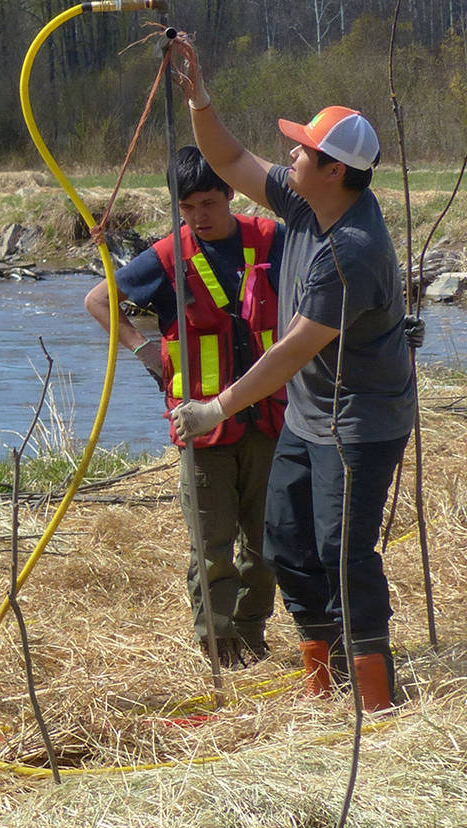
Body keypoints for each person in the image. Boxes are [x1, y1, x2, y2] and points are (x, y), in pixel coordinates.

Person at [168, 35, 421, 712]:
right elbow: (228, 158)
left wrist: (214, 409)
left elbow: (291, 352)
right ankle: (321, 678)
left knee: (343, 551)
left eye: (302, 149)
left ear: (334, 170)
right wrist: (199, 96)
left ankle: (373, 700)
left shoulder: (354, 250)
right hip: (312, 419)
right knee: (286, 538)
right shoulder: (308, 203)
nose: (289, 155)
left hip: (361, 425)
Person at [84, 146, 285, 667]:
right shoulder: (167, 257)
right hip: (201, 428)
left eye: (208, 203)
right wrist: (143, 349)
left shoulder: (273, 241)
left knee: (266, 547)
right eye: (188, 206)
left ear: (230, 195)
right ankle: (218, 649)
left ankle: (251, 636)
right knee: (212, 546)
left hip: (269, 419)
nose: (198, 216)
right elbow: (98, 301)